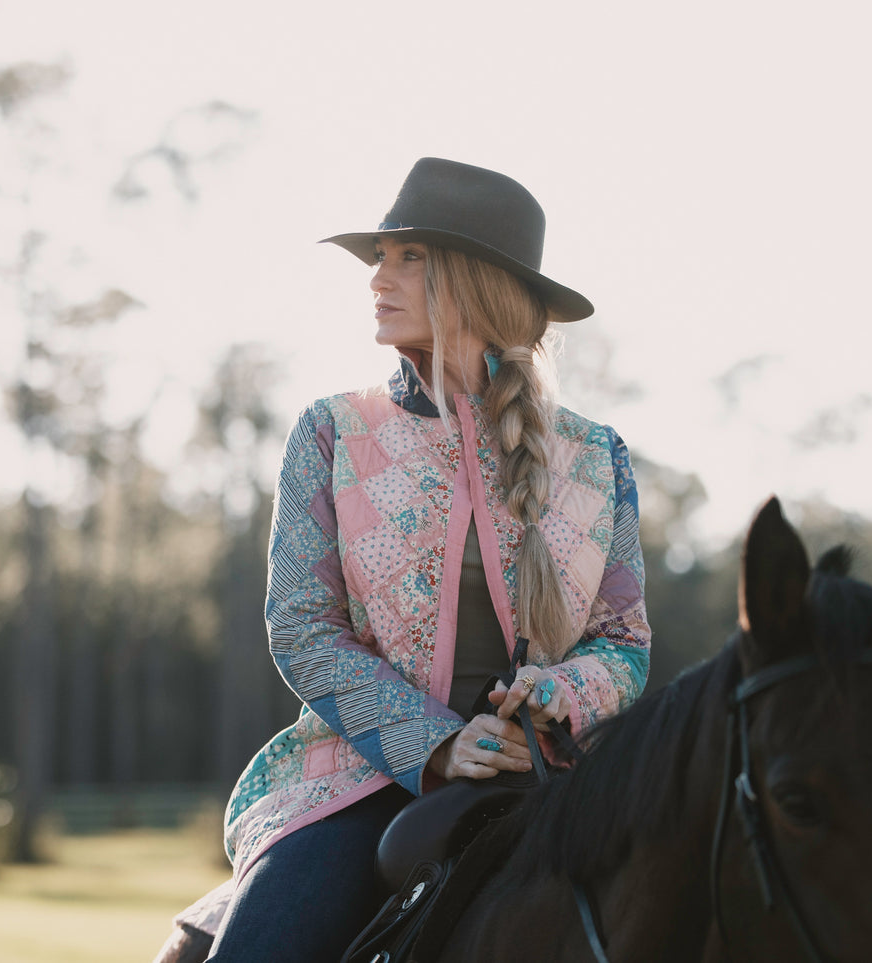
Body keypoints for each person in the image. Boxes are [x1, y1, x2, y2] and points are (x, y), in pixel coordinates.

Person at [175, 157, 652, 963]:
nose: (376, 279)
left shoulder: (595, 455)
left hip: (555, 778)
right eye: (379, 258)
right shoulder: (330, 433)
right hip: (362, 780)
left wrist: (555, 692)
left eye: (409, 257)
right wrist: (435, 744)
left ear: (476, 281)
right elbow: (301, 627)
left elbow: (624, 642)